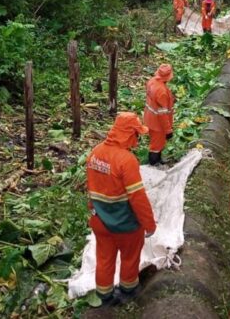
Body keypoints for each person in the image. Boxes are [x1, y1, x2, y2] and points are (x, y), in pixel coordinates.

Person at [86, 112, 157, 305]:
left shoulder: (95, 153)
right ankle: (128, 290)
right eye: (136, 134)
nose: (138, 139)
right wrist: (149, 224)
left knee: (104, 258)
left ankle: (105, 296)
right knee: (130, 257)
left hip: (99, 220)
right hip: (124, 223)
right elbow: (138, 198)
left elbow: (91, 188)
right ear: (128, 134)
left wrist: (92, 211)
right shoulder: (126, 160)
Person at [144, 64, 175, 165]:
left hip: (149, 117)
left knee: (156, 142)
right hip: (158, 124)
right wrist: (168, 130)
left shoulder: (152, 81)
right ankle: (153, 163)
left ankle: (157, 160)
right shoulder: (162, 91)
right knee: (156, 145)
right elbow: (162, 114)